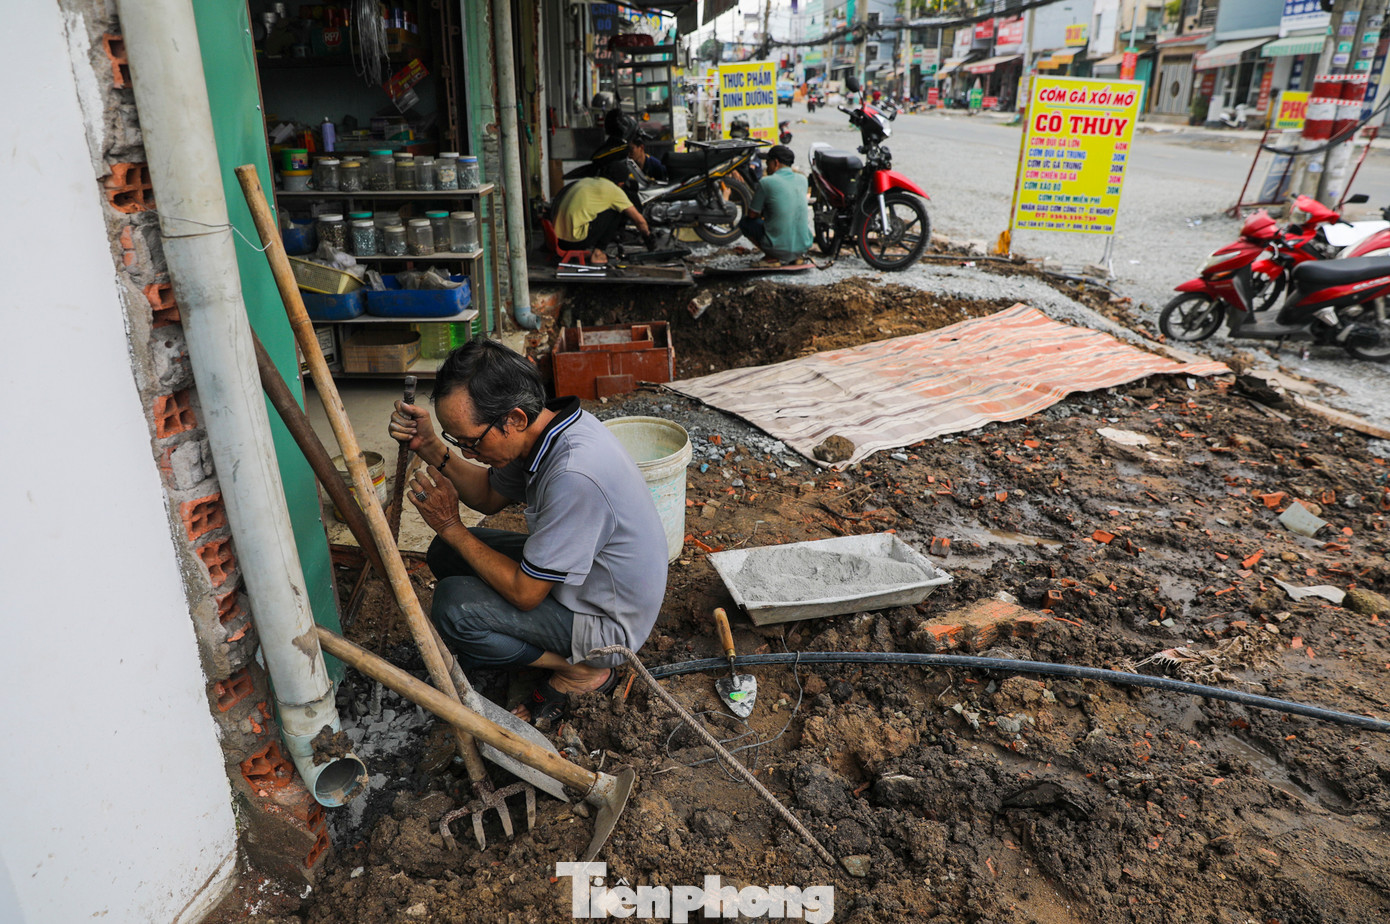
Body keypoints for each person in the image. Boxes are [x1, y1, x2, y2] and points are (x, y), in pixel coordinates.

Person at [390, 340, 669, 729]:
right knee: (444, 552)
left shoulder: (574, 474)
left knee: (454, 608)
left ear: (515, 419)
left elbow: (525, 593)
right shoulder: (548, 430)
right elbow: (488, 496)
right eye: (458, 442)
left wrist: (451, 525)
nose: (468, 453)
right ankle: (537, 646)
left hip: (608, 623)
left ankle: (581, 670)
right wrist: (431, 446)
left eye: (472, 442)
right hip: (588, 581)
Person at [552, 163, 651, 264]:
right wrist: (648, 238)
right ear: (621, 183)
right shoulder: (614, 190)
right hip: (574, 242)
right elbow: (639, 221)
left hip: (557, 239)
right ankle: (598, 253)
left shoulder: (586, 181)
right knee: (617, 211)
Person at [738, 144, 812, 266]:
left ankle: (771, 257)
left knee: (745, 222)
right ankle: (797, 256)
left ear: (776, 163)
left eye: (768, 163)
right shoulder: (803, 180)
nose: (766, 167)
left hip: (778, 248)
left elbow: (752, 215)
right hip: (803, 247)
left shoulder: (766, 182)